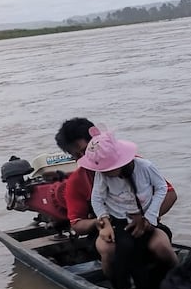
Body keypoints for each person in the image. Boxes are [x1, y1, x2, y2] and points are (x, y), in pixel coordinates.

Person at [54, 117, 177, 278]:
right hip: (108, 232)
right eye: (77, 155)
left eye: (85, 151)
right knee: (110, 250)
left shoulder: (135, 164)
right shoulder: (77, 181)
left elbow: (169, 194)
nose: (84, 158)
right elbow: (77, 223)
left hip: (145, 224)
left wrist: (148, 219)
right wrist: (101, 222)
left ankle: (178, 278)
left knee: (161, 246)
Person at [77, 126, 178, 289]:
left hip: (147, 221)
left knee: (157, 248)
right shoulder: (103, 176)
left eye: (109, 168)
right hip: (120, 222)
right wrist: (105, 221)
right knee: (124, 249)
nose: (106, 172)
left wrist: (150, 217)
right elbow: (97, 200)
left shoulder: (145, 167)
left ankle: (175, 281)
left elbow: (162, 188)